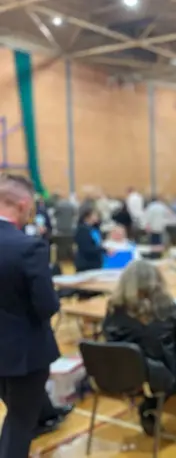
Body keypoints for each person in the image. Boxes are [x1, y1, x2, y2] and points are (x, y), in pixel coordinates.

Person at [0, 174, 66, 457]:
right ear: (25, 204)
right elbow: (47, 305)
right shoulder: (28, 247)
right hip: (24, 353)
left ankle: (47, 416)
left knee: (16, 414)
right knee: (18, 423)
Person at [102, 260, 176, 436]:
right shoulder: (163, 306)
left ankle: (149, 405)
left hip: (121, 373)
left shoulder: (114, 308)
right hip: (164, 374)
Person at [74, 205, 104, 272]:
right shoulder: (82, 230)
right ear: (87, 217)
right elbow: (86, 248)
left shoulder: (95, 228)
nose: (97, 217)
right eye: (95, 215)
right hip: (86, 263)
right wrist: (103, 250)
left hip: (96, 262)